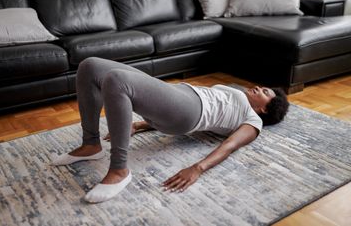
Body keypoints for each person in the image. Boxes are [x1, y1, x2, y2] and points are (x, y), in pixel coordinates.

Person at [51, 57, 289, 203]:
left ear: (265, 111)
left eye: (265, 93)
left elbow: (230, 145)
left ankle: (119, 169)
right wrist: (140, 125)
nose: (259, 88)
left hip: (189, 111)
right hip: (179, 95)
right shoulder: (238, 92)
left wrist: (197, 168)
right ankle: (91, 144)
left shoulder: (252, 121)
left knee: (116, 80)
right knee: (90, 66)